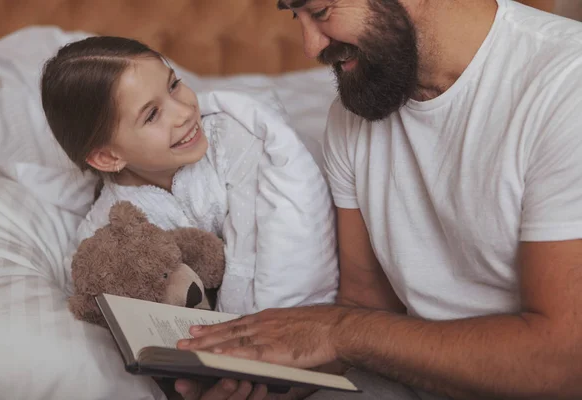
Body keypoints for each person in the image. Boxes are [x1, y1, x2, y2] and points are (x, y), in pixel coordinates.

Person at [173, 0, 582, 399]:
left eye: (320, 12)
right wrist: (260, 375)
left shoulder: (565, 85)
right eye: (295, 15)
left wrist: (337, 331)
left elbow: (563, 363)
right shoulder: (352, 115)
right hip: (409, 375)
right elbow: (367, 308)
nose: (311, 48)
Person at [40, 36, 338, 316]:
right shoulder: (111, 224)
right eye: (152, 115)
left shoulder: (233, 140)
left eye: (174, 85)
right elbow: (96, 281)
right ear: (108, 157)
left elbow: (260, 246)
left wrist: (237, 326)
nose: (183, 112)